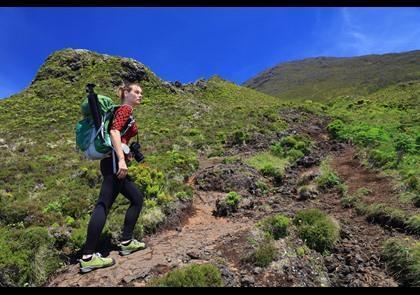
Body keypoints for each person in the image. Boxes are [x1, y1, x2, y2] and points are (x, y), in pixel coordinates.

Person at [79, 83, 146, 274]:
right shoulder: (124, 108)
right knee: (103, 204)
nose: (140, 95)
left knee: (136, 199)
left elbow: (120, 135)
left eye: (141, 93)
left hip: (114, 160)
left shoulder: (124, 111)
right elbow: (114, 131)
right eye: (136, 92)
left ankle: (126, 242)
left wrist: (127, 153)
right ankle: (88, 257)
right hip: (115, 163)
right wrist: (122, 160)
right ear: (126, 93)